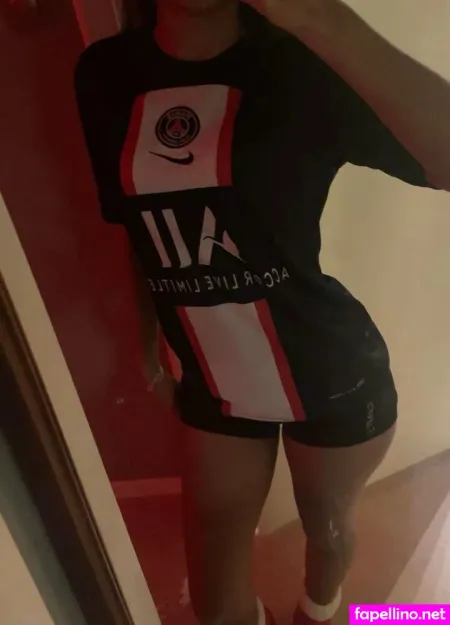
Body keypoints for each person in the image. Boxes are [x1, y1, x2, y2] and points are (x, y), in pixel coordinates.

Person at [74, 0, 450, 623]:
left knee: (326, 528)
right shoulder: (105, 73)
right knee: (214, 590)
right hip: (214, 382)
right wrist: (145, 349)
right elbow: (136, 229)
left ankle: (320, 610)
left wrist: (324, 19)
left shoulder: (301, 63)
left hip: (328, 373)